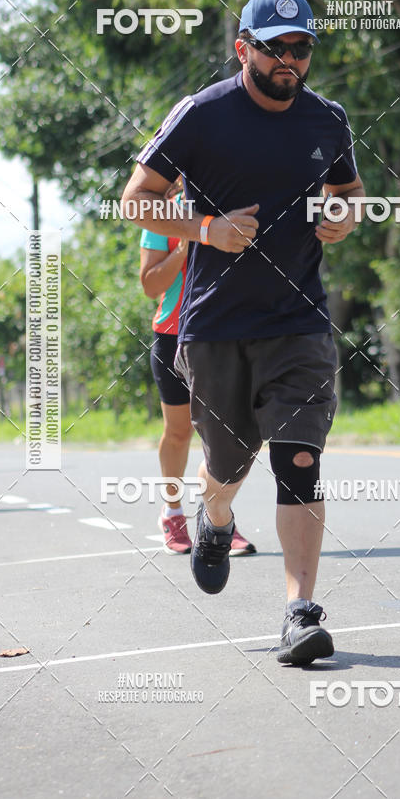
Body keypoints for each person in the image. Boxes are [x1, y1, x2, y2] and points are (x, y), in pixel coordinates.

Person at [122, 0, 365, 665]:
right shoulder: (202, 114)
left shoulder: (327, 120)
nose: (290, 59)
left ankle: (300, 612)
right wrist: (207, 229)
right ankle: (216, 517)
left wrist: (345, 215)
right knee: (228, 465)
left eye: (302, 47)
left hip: (299, 320)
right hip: (215, 326)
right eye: (275, 47)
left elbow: (348, 191)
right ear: (243, 49)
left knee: (300, 460)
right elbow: (136, 199)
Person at [139, 178, 257, 557]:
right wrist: (186, 246)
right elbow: (149, 284)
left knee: (223, 434)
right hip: (172, 334)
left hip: (220, 333)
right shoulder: (162, 215)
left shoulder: (227, 206)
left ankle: (216, 517)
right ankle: (173, 512)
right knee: (178, 433)